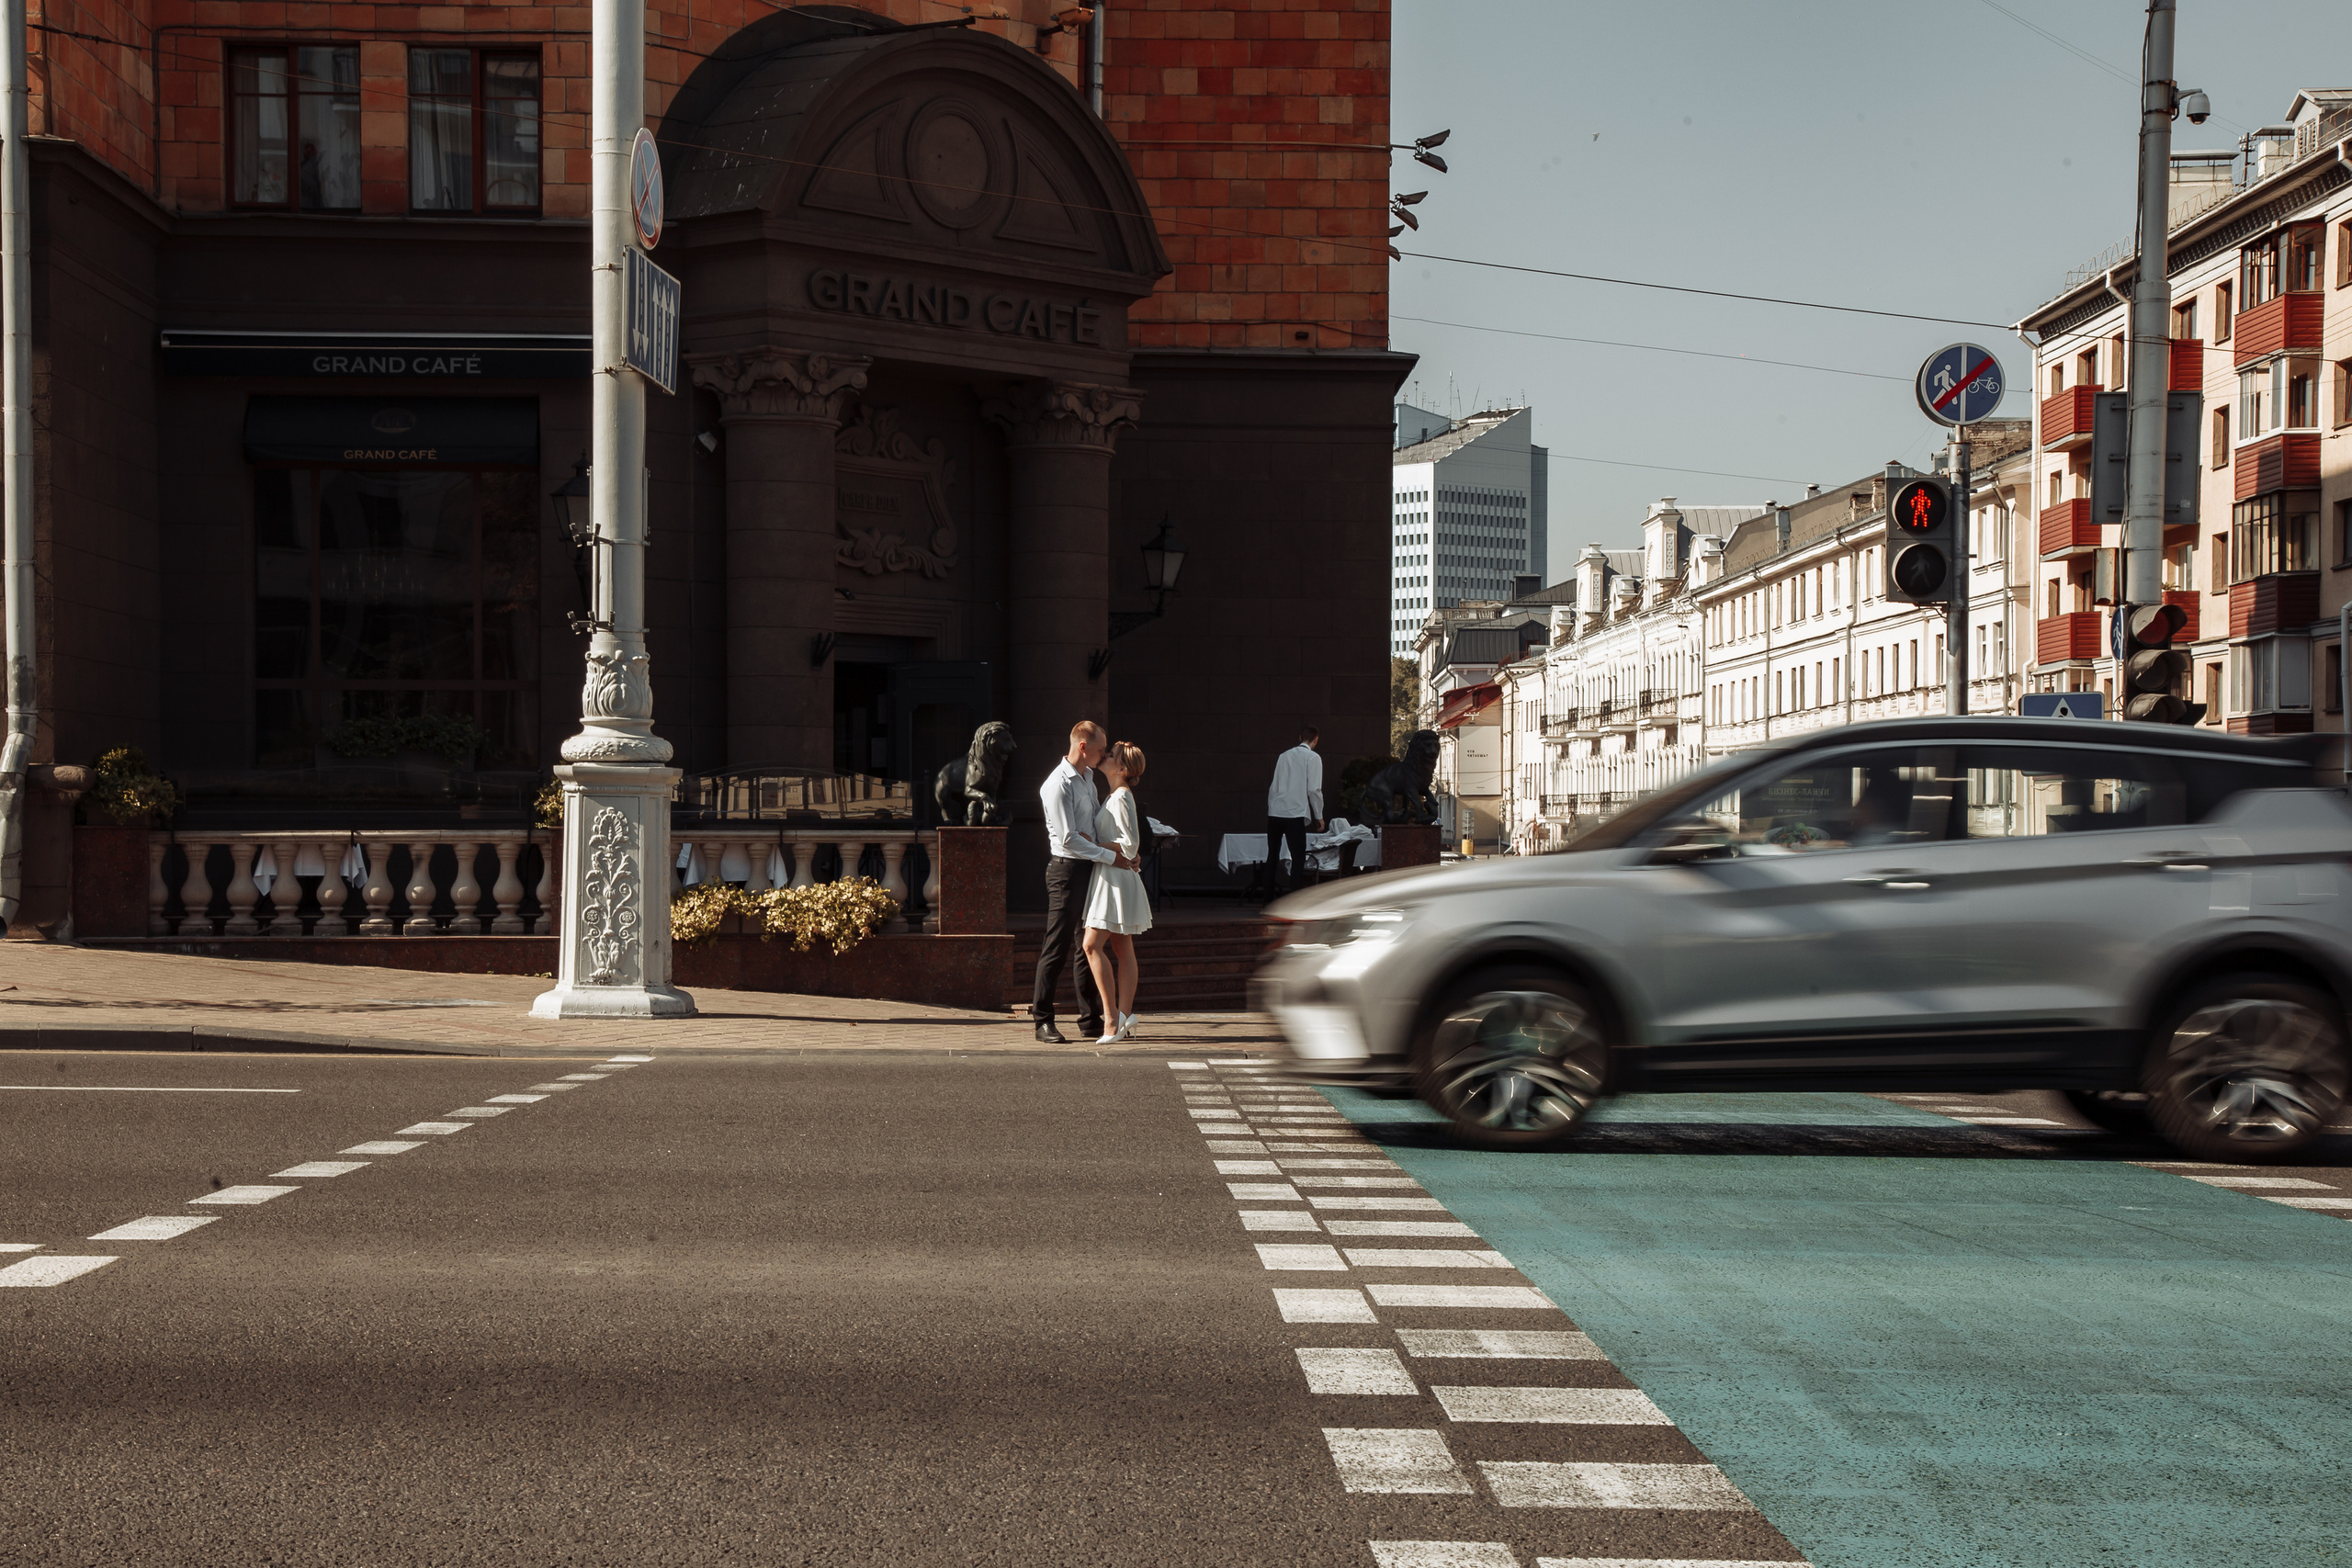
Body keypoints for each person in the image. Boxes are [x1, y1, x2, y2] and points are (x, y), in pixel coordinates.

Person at [1031, 719, 1136, 1043]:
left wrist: (1123, 851)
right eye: (1100, 749)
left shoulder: (1088, 779)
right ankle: (1042, 1021)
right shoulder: (1057, 784)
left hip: (1090, 868)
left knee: (1085, 946)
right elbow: (1068, 838)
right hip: (1066, 871)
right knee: (1058, 944)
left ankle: (1090, 1017)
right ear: (1083, 747)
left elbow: (1093, 832)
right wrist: (1113, 857)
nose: (1104, 754)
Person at [1081, 741, 1153, 1043]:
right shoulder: (1114, 795)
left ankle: (1113, 1020)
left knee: (1091, 945)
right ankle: (1123, 1017)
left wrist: (1094, 844)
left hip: (1116, 878)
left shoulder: (1122, 796)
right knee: (1122, 949)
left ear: (1122, 769)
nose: (1105, 756)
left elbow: (1130, 844)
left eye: (1111, 756)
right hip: (1110, 876)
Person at [1263, 725, 1324, 897]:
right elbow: (1314, 789)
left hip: (1275, 812)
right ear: (1316, 740)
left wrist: (1271, 808)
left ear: (1299, 738)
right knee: (1298, 859)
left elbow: (1274, 785)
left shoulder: (1284, 756)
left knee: (1272, 857)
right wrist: (1319, 815)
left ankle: (1267, 900)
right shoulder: (1313, 758)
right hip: (1295, 813)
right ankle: (1294, 900)